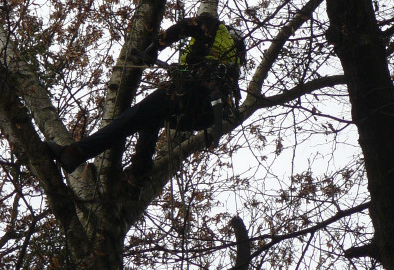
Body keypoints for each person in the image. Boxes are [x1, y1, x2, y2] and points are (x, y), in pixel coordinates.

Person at [46, 12, 245, 180]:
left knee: (133, 117)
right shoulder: (232, 61)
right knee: (153, 117)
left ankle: (76, 152)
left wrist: (154, 48)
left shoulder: (214, 26)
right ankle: (138, 174)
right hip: (206, 116)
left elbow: (185, 26)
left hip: (190, 93)